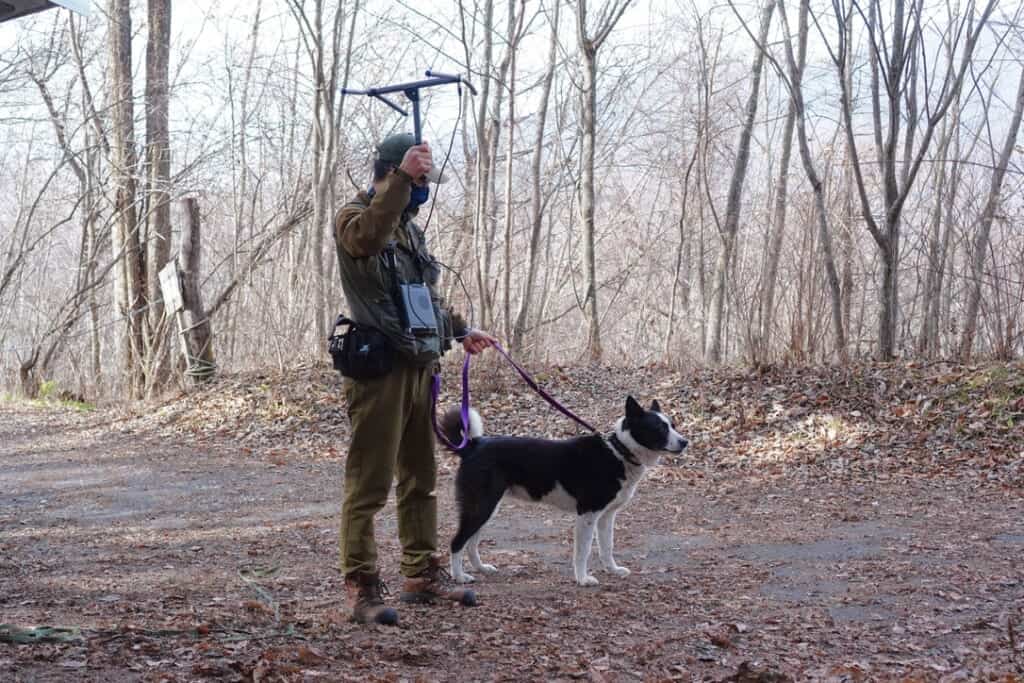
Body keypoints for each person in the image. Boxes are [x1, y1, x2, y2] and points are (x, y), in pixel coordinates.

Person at [332, 132, 497, 625]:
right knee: (369, 483)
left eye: (423, 181)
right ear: (391, 172)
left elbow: (421, 298)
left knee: (420, 479)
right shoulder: (356, 219)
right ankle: (361, 586)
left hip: (419, 367)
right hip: (379, 372)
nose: (423, 191)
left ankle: (422, 572)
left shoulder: (408, 231)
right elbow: (368, 237)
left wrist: (461, 329)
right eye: (417, 180)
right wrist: (403, 180)